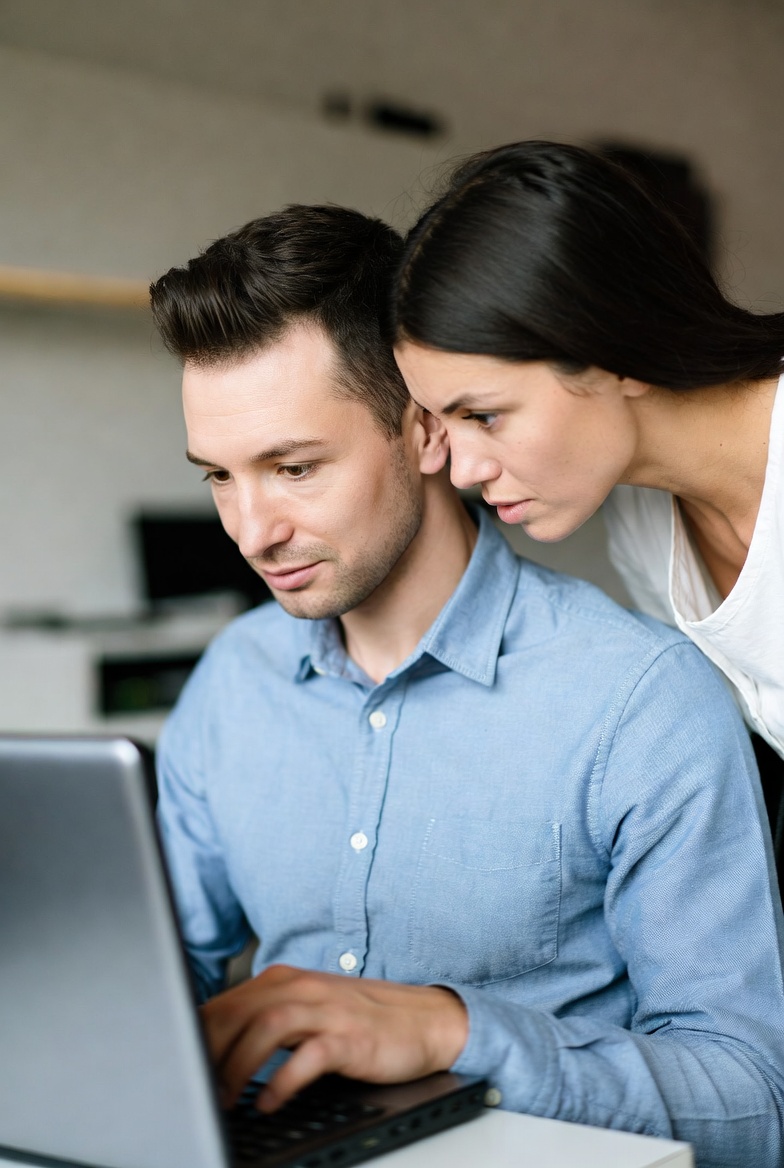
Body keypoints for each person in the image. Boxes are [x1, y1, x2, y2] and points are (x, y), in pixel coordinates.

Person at [149, 204, 784, 1166]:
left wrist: (459, 1032)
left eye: (295, 468)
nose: (251, 531)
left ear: (424, 432)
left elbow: (755, 1102)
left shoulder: (640, 701)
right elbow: (149, 987)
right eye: (219, 478)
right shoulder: (233, 683)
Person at [392, 140, 784, 774]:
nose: (462, 471)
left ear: (617, 351)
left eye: (484, 416)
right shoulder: (640, 519)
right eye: (442, 423)